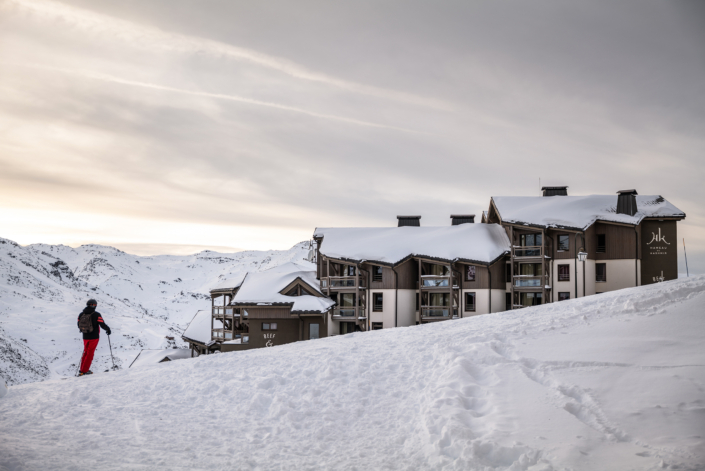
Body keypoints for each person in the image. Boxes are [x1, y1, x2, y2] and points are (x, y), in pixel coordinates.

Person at [77, 299, 111, 376]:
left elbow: (78, 324)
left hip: (85, 336)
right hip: (94, 336)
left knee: (85, 352)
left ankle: (82, 370)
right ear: (94, 305)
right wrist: (108, 329)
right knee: (90, 353)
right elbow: (102, 324)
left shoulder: (81, 314)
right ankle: (85, 370)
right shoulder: (96, 314)